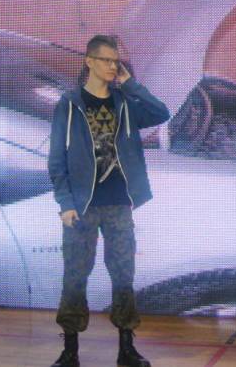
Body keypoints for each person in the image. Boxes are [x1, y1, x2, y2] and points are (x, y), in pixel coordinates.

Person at [47, 35, 170, 367]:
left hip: (118, 204)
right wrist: (65, 203)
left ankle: (126, 348)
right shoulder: (70, 104)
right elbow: (56, 159)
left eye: (116, 61)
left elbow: (161, 112)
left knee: (123, 275)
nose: (113, 66)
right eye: (106, 60)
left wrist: (131, 85)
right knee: (75, 276)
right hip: (82, 206)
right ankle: (69, 350)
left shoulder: (124, 102)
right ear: (89, 61)